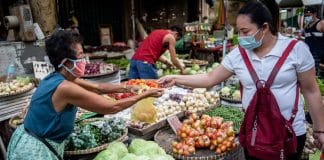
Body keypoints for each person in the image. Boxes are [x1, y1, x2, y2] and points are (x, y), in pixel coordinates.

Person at [158, 1, 324, 160]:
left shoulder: (296, 50)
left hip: (290, 132)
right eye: (239, 31)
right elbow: (210, 78)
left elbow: (311, 91)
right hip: (254, 133)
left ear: (264, 27)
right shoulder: (238, 55)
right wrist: (176, 78)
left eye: (245, 32)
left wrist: (320, 130)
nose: (241, 37)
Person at [7, 30, 163, 160]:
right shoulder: (65, 87)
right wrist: (145, 94)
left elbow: (99, 88)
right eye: (80, 56)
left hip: (33, 139)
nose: (84, 60)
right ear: (66, 62)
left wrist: (127, 88)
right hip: (33, 151)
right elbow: (112, 106)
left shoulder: (59, 77)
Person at [303, 6, 324, 75]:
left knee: (316, 74)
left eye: (309, 15)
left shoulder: (321, 23)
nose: (307, 17)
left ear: (315, 14)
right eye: (305, 16)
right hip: (308, 53)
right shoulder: (307, 25)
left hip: (318, 55)